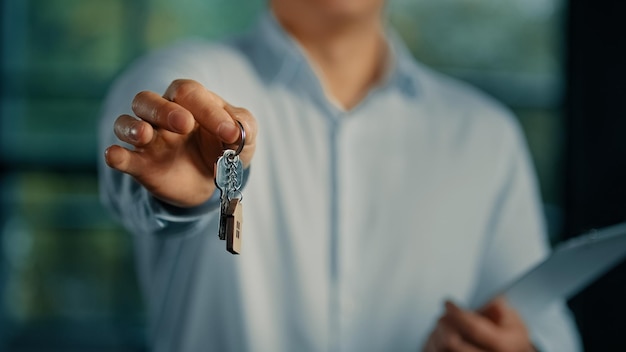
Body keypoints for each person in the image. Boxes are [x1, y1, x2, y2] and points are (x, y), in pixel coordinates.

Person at [98, 1, 581, 351]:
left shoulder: (485, 136)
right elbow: (133, 163)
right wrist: (192, 195)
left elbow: (542, 328)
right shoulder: (189, 78)